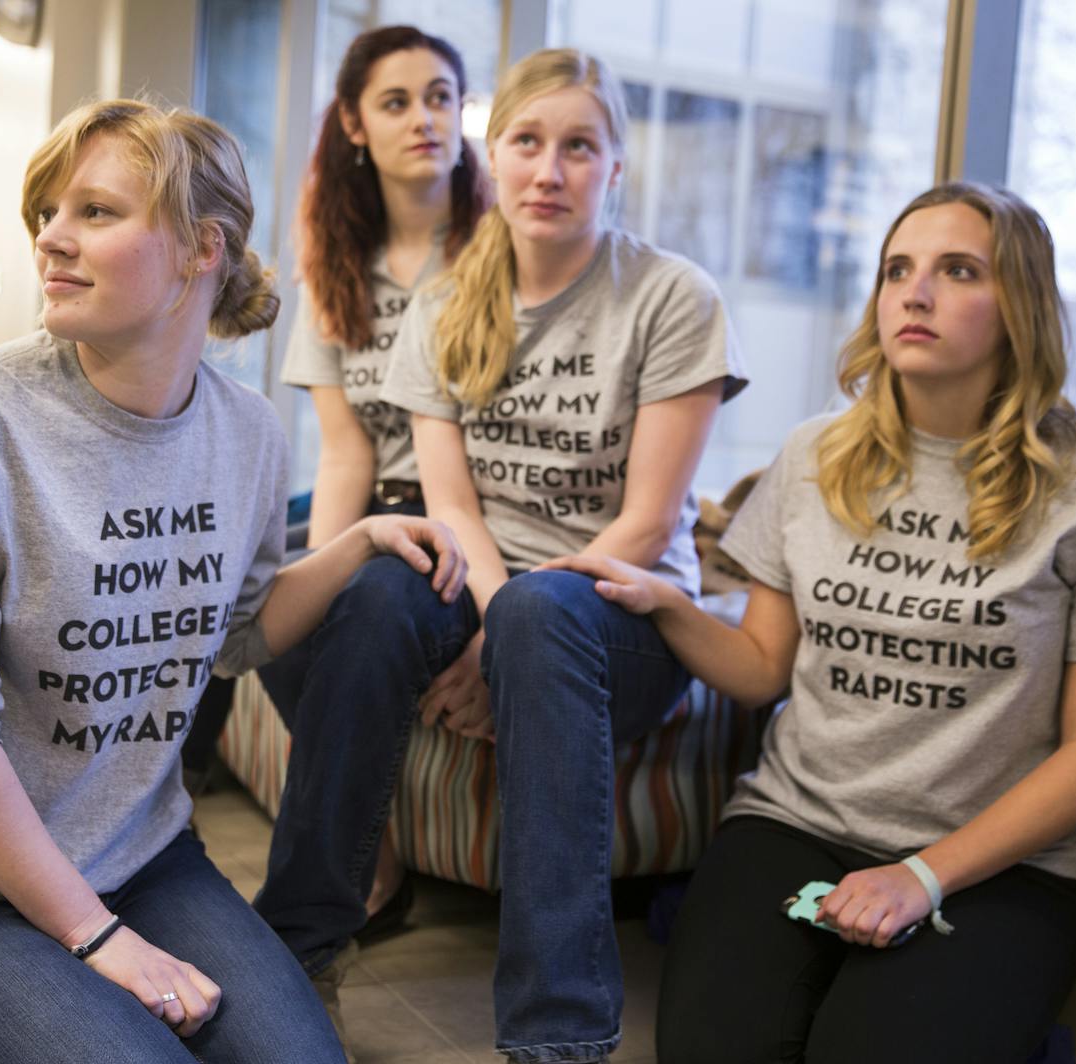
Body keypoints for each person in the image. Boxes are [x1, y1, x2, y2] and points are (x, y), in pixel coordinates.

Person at [0, 98, 465, 1064]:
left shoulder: (247, 432)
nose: (51, 237)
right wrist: (97, 939)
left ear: (201, 248)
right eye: (49, 211)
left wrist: (358, 542)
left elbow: (238, 635)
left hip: (141, 857)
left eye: (96, 212)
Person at [545, 183, 1076, 1063]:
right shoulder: (814, 456)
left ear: (1020, 307)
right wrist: (666, 598)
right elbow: (758, 667)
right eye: (899, 270)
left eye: (957, 270)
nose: (915, 292)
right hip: (791, 825)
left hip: (997, 871)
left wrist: (922, 876)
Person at [253, 47, 745, 1063]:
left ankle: (556, 1035)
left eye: (579, 147)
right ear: (498, 153)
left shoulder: (670, 296)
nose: (548, 170)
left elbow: (650, 523)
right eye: (526, 142)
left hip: (625, 610)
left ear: (616, 168)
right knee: (377, 599)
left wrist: (516, 625)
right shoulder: (446, 301)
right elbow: (450, 504)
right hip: (483, 583)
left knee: (539, 613)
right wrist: (490, 622)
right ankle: (297, 955)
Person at [180, 26, 488, 934]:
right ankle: (151, 840)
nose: (425, 118)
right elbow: (347, 451)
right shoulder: (334, 268)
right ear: (354, 124)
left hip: (463, 512)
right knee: (231, 570)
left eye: (442, 97)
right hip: (370, 497)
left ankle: (328, 896)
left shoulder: (498, 253)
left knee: (368, 604)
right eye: (397, 102)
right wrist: (320, 569)